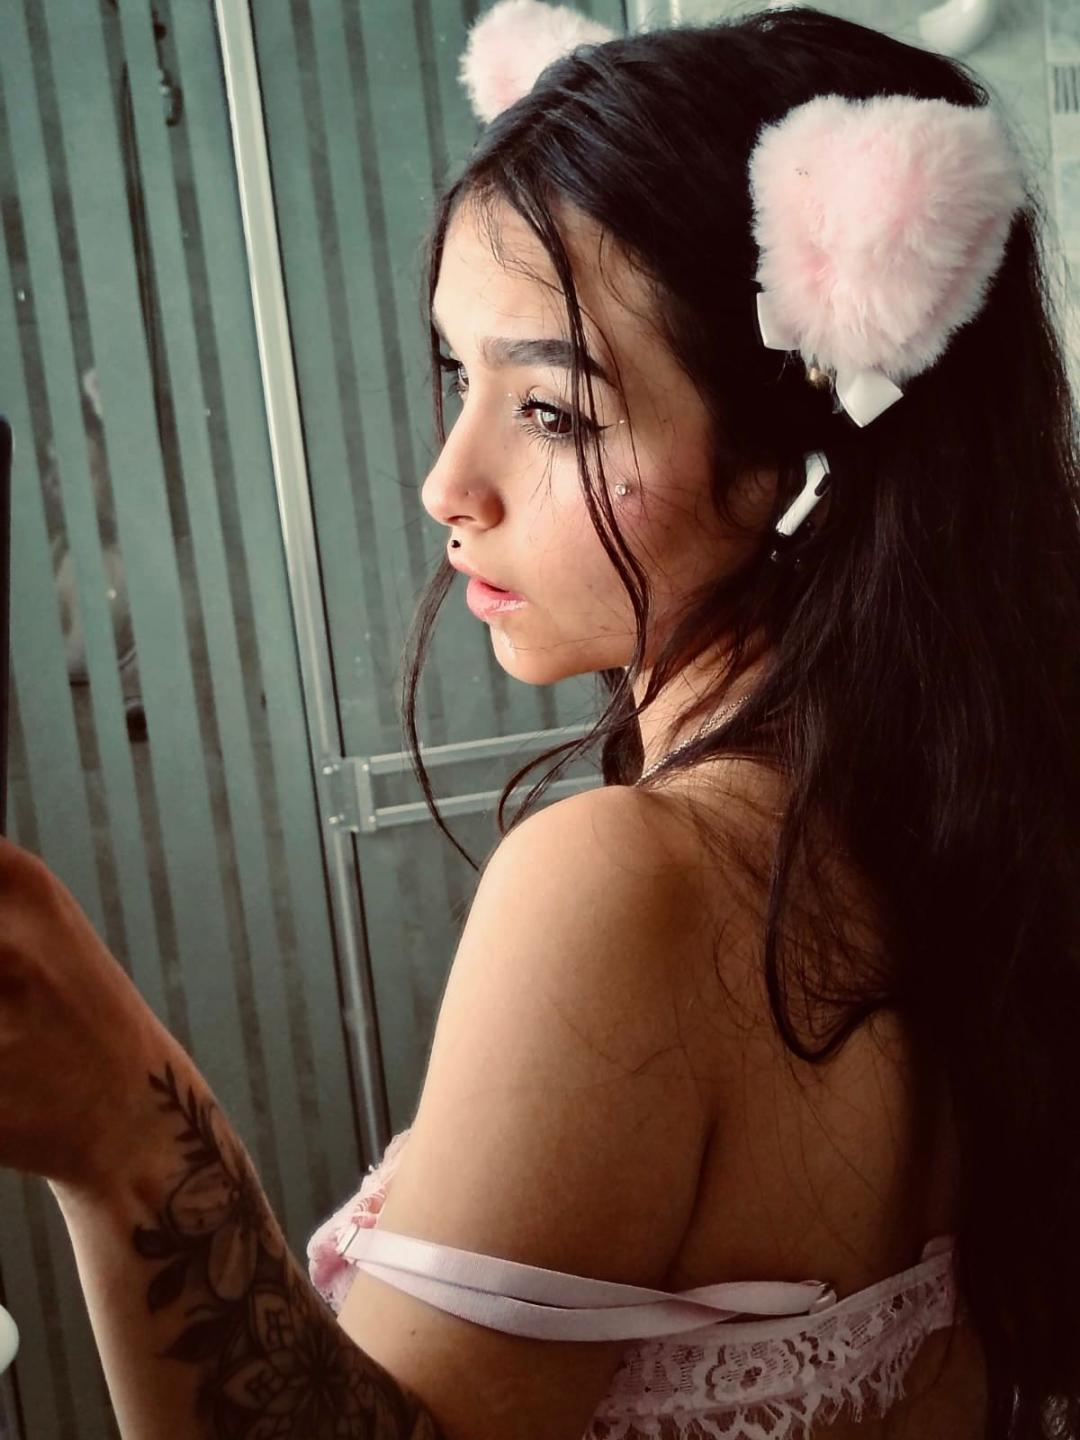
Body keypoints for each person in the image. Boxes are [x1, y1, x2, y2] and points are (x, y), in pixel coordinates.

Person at [0, 3, 1077, 1438]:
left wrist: (124, 1130)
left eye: (556, 410)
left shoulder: (632, 881)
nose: (448, 483)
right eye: (464, 377)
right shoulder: (949, 815)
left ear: (795, 464)